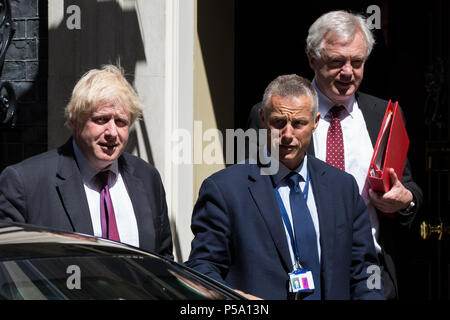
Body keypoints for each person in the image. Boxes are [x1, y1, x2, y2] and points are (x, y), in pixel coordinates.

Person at [246, 10, 423, 299]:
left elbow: (408, 186)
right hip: (298, 275)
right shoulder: (272, 117)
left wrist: (405, 201)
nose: (347, 72)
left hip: (369, 274)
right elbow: (251, 194)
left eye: (357, 62)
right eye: (336, 62)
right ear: (312, 59)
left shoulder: (384, 115)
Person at [186, 74, 384, 300]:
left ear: (316, 122)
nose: (287, 135)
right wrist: (235, 299)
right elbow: (201, 268)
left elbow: (368, 268)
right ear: (262, 118)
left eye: (299, 123)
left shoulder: (343, 188)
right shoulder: (225, 190)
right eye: (279, 122)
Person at [0, 65, 173, 258]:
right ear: (75, 123)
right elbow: (12, 269)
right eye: (101, 120)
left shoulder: (147, 177)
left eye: (121, 122)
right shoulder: (24, 183)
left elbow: (163, 260)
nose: (112, 133)